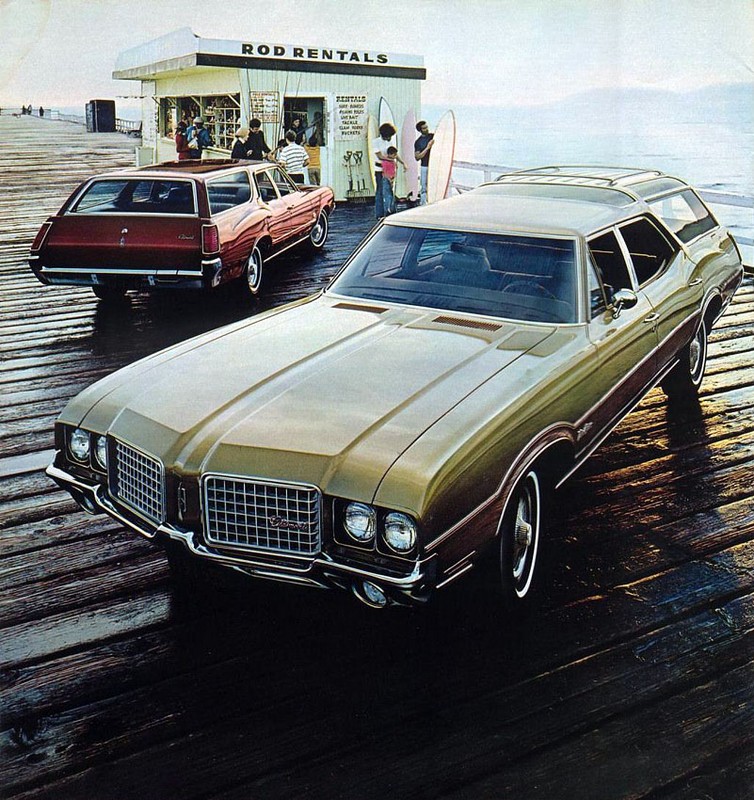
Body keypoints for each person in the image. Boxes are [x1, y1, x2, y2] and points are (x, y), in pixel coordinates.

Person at [373, 122, 396, 218]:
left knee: (389, 191)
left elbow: (393, 153)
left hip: (389, 169)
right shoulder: (376, 142)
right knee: (380, 192)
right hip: (380, 169)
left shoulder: (389, 142)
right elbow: (380, 156)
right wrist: (391, 160)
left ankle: (390, 210)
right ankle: (380, 213)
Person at [380, 145, 407, 215]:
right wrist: (390, 180)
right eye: (394, 155)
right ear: (390, 154)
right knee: (387, 196)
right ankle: (387, 211)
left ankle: (392, 210)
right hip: (387, 179)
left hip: (392, 179)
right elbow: (385, 172)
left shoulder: (392, 161)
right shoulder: (385, 162)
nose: (395, 156)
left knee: (392, 196)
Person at [414, 120, 434, 205]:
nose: (427, 129)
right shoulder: (418, 142)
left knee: (434, 185)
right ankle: (423, 204)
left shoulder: (433, 136)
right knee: (424, 187)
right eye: (424, 128)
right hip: (425, 166)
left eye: (427, 127)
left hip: (434, 165)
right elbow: (417, 157)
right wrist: (427, 148)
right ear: (420, 130)